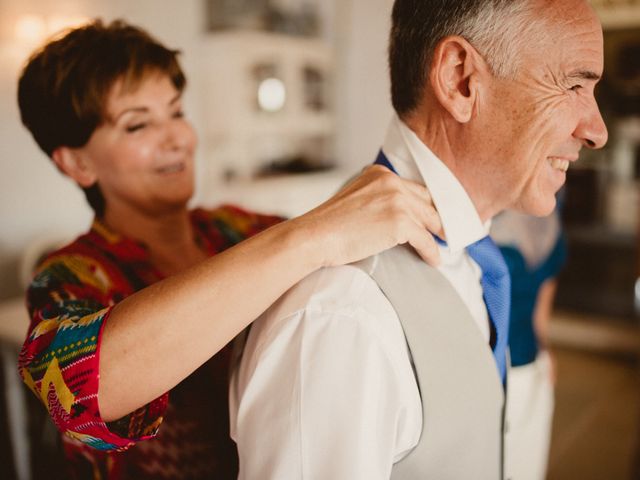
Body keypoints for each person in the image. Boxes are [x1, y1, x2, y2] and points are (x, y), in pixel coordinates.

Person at [15, 20, 443, 479]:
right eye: (138, 124)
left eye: (176, 112)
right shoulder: (69, 275)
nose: (177, 137)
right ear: (77, 162)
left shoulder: (235, 228)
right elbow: (86, 391)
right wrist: (312, 235)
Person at [230, 0, 608, 478]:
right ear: (460, 80)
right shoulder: (342, 313)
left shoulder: (475, 253)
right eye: (574, 84)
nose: (597, 131)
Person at [491, 205, 567, 480]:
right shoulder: (484, 215)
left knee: (525, 466)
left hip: (530, 367)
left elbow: (541, 311)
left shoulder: (548, 223)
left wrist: (546, 354)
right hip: (490, 370)